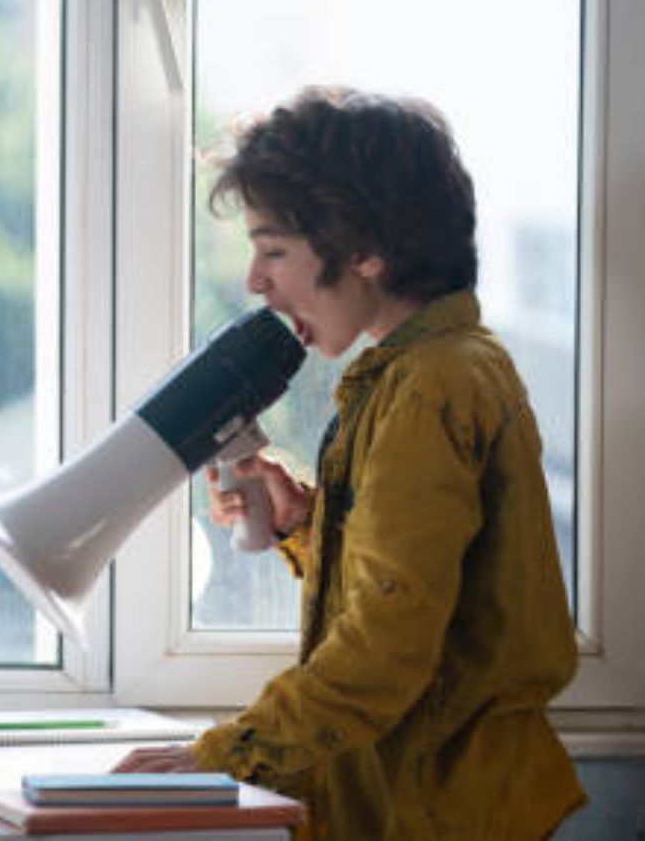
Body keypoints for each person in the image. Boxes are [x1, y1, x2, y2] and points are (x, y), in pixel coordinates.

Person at [112, 87, 585, 838]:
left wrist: (225, 753)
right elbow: (417, 587)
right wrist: (306, 524)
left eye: (273, 250)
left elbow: (384, 651)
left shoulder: (428, 388)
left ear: (367, 248)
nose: (254, 282)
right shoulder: (436, 369)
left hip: (435, 813)